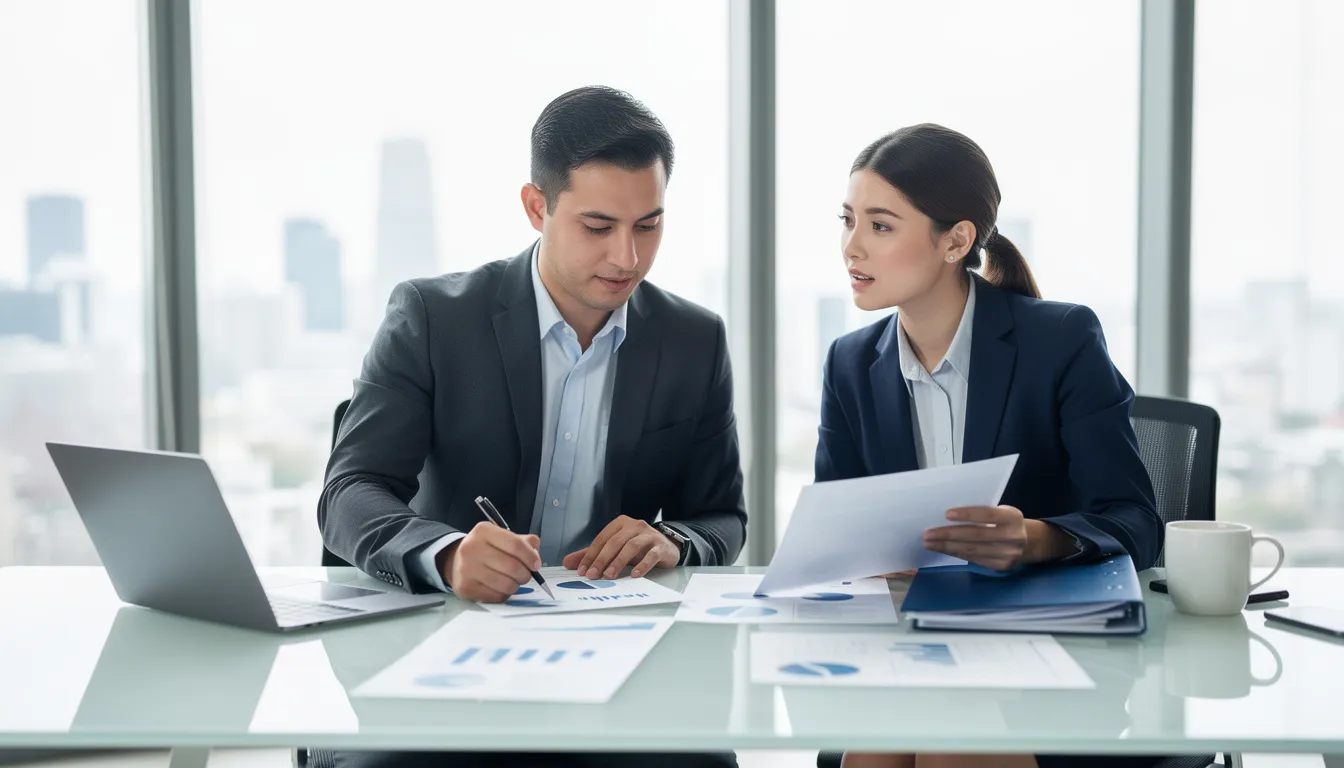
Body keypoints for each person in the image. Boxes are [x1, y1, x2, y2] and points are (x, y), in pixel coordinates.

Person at [317, 85, 745, 768]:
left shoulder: (693, 339)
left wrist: (672, 541)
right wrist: (449, 554)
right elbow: (350, 492)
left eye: (649, 225)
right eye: (599, 227)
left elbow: (721, 517)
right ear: (536, 207)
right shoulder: (434, 317)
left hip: (620, 655)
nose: (628, 258)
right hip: (444, 646)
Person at [818, 124, 1165, 768]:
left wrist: (1035, 538)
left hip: (1048, 652)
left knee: (945, 741)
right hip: (911, 644)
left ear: (956, 240)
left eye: (881, 226)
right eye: (848, 221)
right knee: (881, 744)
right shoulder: (850, 363)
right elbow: (835, 530)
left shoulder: (1060, 339)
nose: (852, 247)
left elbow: (1137, 521)